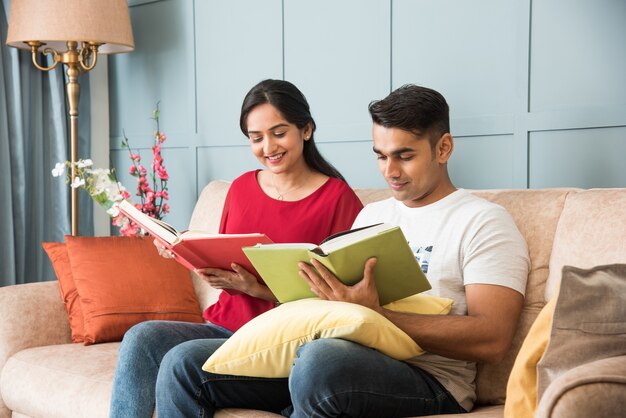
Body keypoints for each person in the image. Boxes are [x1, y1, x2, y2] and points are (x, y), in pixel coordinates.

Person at [154, 84, 530, 417]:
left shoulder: (483, 221)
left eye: (405, 155)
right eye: (381, 156)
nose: (390, 171)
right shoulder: (374, 214)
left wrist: (376, 313)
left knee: (319, 361)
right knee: (183, 363)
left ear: (443, 148)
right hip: (341, 358)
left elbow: (492, 338)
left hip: (430, 378)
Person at [108, 79, 363, 418]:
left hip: (280, 343)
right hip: (223, 329)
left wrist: (255, 288)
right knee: (142, 338)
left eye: (278, 132)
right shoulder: (241, 187)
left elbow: (341, 302)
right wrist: (185, 250)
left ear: (306, 129)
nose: (267, 146)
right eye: (256, 138)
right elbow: (227, 256)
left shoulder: (338, 199)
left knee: (179, 361)